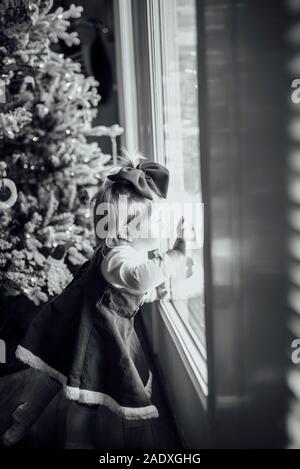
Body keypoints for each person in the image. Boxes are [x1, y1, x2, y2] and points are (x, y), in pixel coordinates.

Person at [2, 151, 188, 447]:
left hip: (86, 324)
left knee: (56, 376)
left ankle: (25, 415)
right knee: (83, 398)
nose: (161, 227)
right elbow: (139, 277)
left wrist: (155, 291)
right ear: (126, 230)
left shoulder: (128, 251)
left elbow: (133, 287)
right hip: (91, 336)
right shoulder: (118, 257)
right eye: (155, 221)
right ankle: (75, 442)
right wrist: (177, 253)